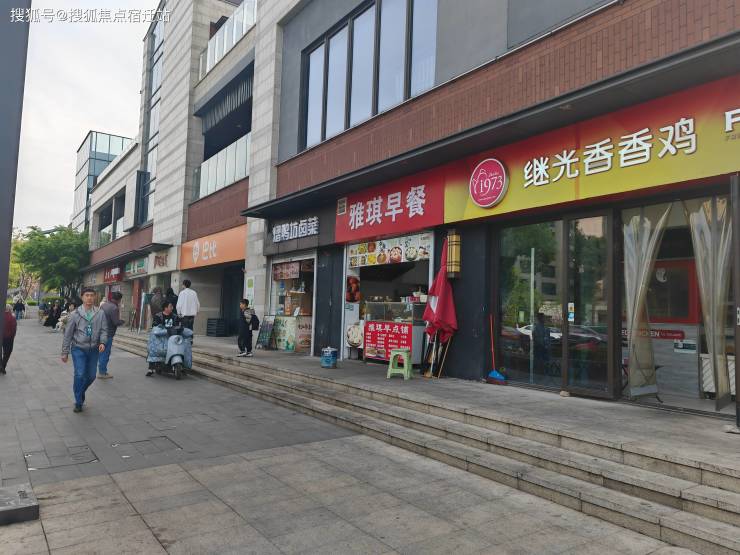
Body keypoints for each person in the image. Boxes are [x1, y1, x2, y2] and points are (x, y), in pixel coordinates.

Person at [61, 288, 109, 413]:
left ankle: (80, 391)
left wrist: (103, 342)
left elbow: (104, 330)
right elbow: (68, 334)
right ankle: (78, 402)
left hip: (94, 350)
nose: (89, 298)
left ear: (95, 297)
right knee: (80, 374)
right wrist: (65, 352)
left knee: (91, 376)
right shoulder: (75, 314)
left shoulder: (100, 313)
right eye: (87, 295)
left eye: (92, 295)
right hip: (78, 349)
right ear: (82, 297)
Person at [147, 301, 181, 376]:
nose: (172, 308)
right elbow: (155, 327)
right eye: (170, 306)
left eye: (172, 307)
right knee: (153, 349)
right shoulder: (158, 316)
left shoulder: (175, 316)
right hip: (160, 338)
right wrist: (162, 329)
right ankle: (151, 368)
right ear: (165, 308)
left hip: (172, 338)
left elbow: (178, 326)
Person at [98, 292, 125, 379]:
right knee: (105, 353)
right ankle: (102, 372)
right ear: (119, 300)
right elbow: (115, 322)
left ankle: (102, 370)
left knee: (101, 352)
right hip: (108, 333)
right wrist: (122, 321)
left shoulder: (104, 305)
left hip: (101, 332)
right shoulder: (114, 308)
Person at [2, 305, 17, 374]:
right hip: (8, 338)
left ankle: (2, 366)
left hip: (2, 337)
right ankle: (2, 366)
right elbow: (14, 330)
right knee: (7, 352)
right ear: (9, 309)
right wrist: (12, 337)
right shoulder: (12, 317)